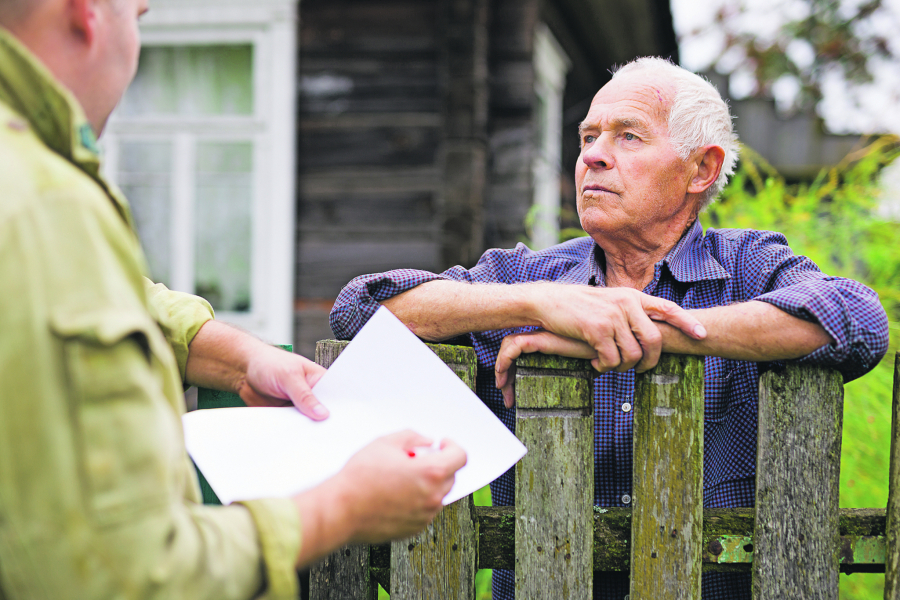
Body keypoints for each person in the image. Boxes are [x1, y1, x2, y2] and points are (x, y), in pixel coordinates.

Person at [330, 57, 890, 599]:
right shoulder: (527, 278)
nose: (594, 156)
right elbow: (358, 309)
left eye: (628, 136)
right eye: (587, 137)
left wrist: (651, 332)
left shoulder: (746, 266)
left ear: (702, 169)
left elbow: (856, 319)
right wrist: (542, 302)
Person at [0, 0, 466, 598]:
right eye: (138, 18)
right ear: (88, 12)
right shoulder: (42, 203)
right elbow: (126, 572)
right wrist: (343, 507)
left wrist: (235, 356)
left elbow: (101, 297)